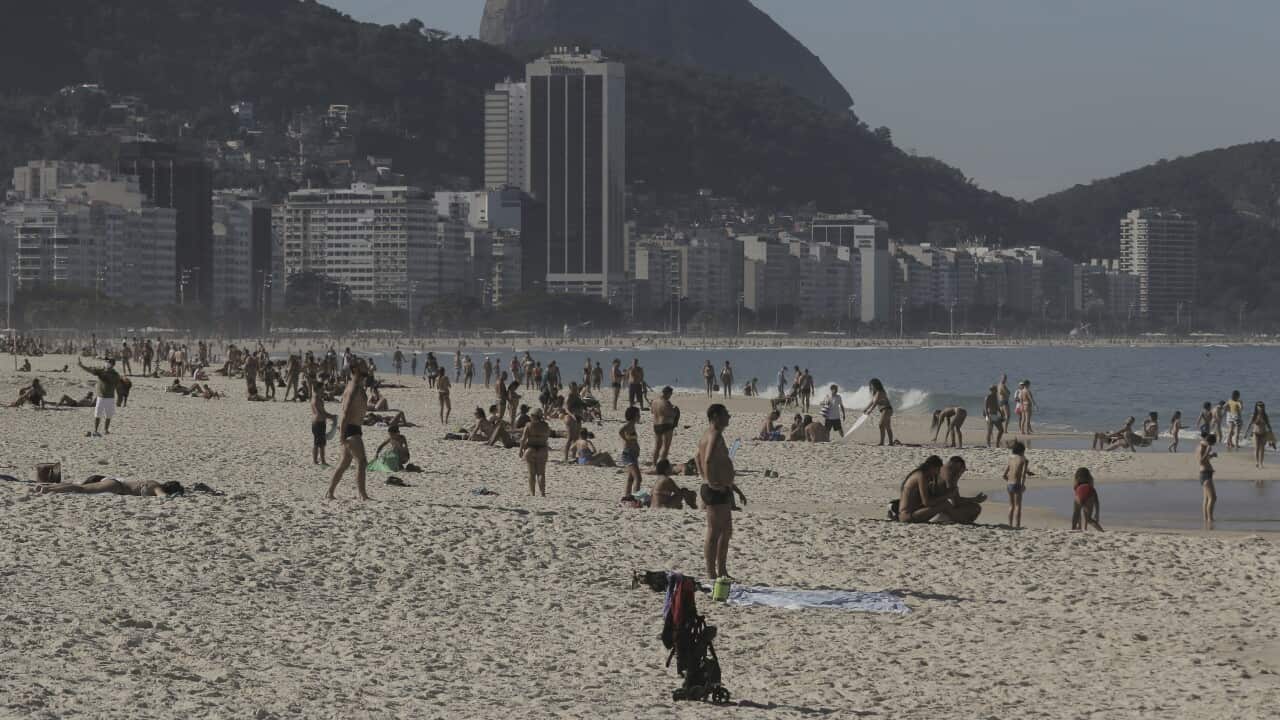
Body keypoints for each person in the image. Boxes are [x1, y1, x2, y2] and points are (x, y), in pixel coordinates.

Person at [697, 404, 746, 580]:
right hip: (715, 489)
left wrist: (733, 487)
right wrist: (711, 481)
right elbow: (708, 459)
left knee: (724, 530)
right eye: (726, 414)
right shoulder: (715, 435)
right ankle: (712, 572)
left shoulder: (707, 434)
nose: (729, 417)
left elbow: (698, 457)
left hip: (720, 488)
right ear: (716, 416)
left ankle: (721, 571)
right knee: (716, 532)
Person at [325, 359, 371, 501]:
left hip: (355, 427)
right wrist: (342, 435)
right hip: (350, 429)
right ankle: (362, 495)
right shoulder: (353, 388)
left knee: (344, 463)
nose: (366, 368)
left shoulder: (358, 386)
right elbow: (345, 412)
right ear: (355, 369)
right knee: (362, 462)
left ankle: (330, 492)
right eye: (363, 367)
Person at [933, 456, 987, 524]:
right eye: (961, 472)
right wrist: (975, 499)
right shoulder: (950, 475)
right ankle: (954, 519)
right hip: (940, 508)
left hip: (936, 505)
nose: (960, 475)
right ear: (958, 466)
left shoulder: (942, 469)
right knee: (975, 508)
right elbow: (956, 501)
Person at [78, 357, 121, 436]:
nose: (106, 363)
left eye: (108, 362)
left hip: (110, 397)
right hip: (100, 396)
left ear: (112, 364)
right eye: (106, 362)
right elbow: (91, 370)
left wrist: (119, 398)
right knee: (98, 414)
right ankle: (96, 430)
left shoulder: (115, 374)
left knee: (108, 415)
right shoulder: (101, 371)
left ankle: (106, 430)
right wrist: (82, 366)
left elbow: (117, 385)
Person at [897, 456, 948, 523]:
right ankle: (960, 519)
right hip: (908, 516)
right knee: (946, 504)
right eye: (938, 469)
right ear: (932, 467)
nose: (938, 472)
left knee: (944, 503)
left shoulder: (922, 475)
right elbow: (926, 502)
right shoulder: (921, 475)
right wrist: (948, 495)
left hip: (910, 513)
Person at [34, 476, 184, 497]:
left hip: (116, 481)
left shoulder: (154, 482)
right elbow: (163, 498)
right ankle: (48, 489)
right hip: (116, 487)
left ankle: (50, 487)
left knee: (80, 486)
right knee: (82, 489)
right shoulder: (158, 489)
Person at [519, 408, 552, 497]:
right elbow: (546, 438)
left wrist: (520, 450)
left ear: (533, 416)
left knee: (531, 473)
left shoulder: (528, 425)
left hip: (531, 449)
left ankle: (532, 493)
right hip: (542, 449)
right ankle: (542, 493)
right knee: (541, 473)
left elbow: (523, 439)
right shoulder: (546, 426)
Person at [310, 377, 336, 466]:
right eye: (322, 388)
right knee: (321, 444)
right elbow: (321, 412)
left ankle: (315, 460)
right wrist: (332, 416)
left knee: (317, 443)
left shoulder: (314, 397)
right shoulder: (316, 399)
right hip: (318, 422)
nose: (323, 390)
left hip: (316, 422)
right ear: (318, 389)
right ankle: (322, 461)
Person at [650, 386, 679, 466]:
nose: (670, 396)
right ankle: (662, 464)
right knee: (666, 447)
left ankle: (654, 463)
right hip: (666, 425)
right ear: (667, 393)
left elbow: (652, 411)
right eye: (670, 394)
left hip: (656, 425)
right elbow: (670, 414)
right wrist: (675, 411)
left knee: (657, 446)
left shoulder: (654, 402)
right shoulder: (666, 402)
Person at [1004, 440, 1029, 528]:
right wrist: (1022, 485)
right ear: (1022, 451)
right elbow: (1023, 475)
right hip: (1017, 484)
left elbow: (1004, 475)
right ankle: (1017, 525)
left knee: (1011, 506)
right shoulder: (1024, 460)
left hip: (1009, 484)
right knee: (1018, 506)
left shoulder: (1010, 458)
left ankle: (1010, 524)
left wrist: (1008, 480)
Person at [863, 378, 894, 446]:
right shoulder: (875, 393)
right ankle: (891, 442)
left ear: (876, 385)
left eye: (872, 385)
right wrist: (866, 408)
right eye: (870, 386)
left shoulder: (880, 392)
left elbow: (875, 403)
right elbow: (872, 402)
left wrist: (870, 411)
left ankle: (882, 442)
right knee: (887, 426)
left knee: (881, 425)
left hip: (887, 409)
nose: (871, 387)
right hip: (885, 410)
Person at [620, 406, 643, 496]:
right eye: (638, 415)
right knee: (638, 478)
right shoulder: (629, 424)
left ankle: (627, 496)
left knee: (631, 478)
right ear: (633, 415)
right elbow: (620, 431)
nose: (639, 416)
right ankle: (636, 498)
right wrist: (626, 440)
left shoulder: (632, 425)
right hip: (628, 454)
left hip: (633, 455)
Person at [1198, 433, 1218, 530]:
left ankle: (1206, 519)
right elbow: (1201, 461)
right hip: (1205, 474)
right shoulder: (1202, 447)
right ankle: (1210, 519)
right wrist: (1208, 452)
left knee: (1206, 499)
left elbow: (1205, 460)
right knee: (1213, 498)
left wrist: (1211, 456)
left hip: (1206, 473)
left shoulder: (1202, 446)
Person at [1250, 401, 1273, 470]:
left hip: (1264, 433)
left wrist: (1271, 433)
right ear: (1256, 407)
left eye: (1262, 406)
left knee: (1262, 449)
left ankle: (1261, 463)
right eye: (1259, 406)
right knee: (1257, 448)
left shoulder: (1265, 415)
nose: (1261, 407)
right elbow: (1250, 424)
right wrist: (1246, 433)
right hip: (1256, 433)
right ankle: (1257, 462)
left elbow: (1268, 424)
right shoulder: (1254, 415)